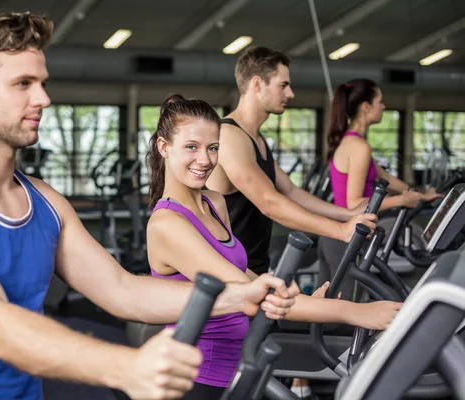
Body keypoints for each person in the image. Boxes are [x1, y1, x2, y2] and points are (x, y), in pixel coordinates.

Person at [0, 12, 298, 400]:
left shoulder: (43, 201)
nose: (43, 97)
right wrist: (127, 366)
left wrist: (241, 294)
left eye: (42, 82)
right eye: (23, 84)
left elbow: (122, 289)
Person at [146, 94, 400, 398]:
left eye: (213, 148)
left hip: (240, 365)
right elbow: (245, 288)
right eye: (192, 147)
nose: (205, 160)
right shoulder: (168, 224)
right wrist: (354, 312)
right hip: (199, 378)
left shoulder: (214, 202)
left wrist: (312, 303)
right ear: (164, 147)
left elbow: (247, 277)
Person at [205, 46, 401, 399]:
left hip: (256, 271)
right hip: (231, 278)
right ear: (256, 84)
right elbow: (269, 203)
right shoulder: (230, 136)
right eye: (283, 85)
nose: (291, 93)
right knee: (253, 378)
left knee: (268, 372)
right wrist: (339, 230)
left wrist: (347, 214)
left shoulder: (257, 140)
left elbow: (291, 192)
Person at [327, 78, 442, 212]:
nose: (383, 106)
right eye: (380, 101)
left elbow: (385, 177)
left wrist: (420, 195)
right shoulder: (358, 147)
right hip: (355, 228)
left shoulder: (352, 142)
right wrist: (401, 200)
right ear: (366, 107)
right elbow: (353, 204)